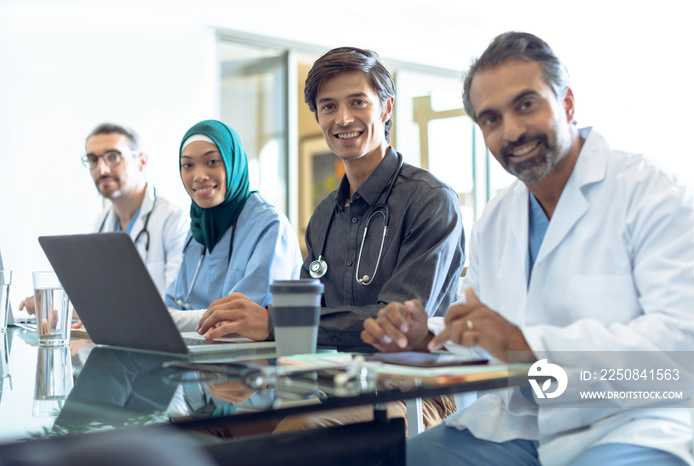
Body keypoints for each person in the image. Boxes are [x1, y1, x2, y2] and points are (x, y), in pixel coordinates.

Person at [362, 31, 694, 465]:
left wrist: (529, 346)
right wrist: (426, 339)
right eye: (491, 119)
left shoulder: (651, 193)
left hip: (629, 426)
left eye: (526, 105)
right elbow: (484, 333)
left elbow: (684, 353)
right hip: (516, 426)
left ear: (568, 103)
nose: (513, 131)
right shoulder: (497, 219)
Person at [195, 48, 466, 432]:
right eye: (328, 107)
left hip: (409, 391)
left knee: (299, 432)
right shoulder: (323, 216)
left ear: (386, 109)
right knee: (205, 425)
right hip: (330, 380)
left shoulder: (431, 200)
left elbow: (394, 325)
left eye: (358, 102)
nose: (343, 119)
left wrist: (275, 321)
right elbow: (308, 317)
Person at [20, 123, 189, 314]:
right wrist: (56, 305)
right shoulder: (101, 223)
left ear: (141, 161)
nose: (101, 169)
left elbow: (176, 304)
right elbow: (90, 294)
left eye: (113, 157)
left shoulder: (173, 220)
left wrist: (69, 309)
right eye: (93, 160)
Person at [165, 119, 302, 328]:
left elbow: (243, 320)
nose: (199, 176)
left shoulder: (270, 227)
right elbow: (172, 305)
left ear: (233, 162)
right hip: (199, 355)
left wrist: (167, 320)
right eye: (188, 165)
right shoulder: (197, 232)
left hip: (261, 357)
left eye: (212, 161)